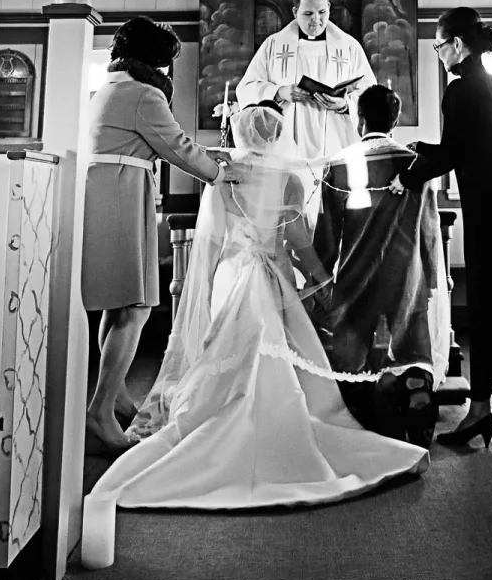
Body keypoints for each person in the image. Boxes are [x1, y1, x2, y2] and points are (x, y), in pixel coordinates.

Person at [85, 105, 426, 518]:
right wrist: (321, 282)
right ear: (278, 136)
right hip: (270, 272)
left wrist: (206, 289)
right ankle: (283, 428)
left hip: (232, 271)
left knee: (231, 345)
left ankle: (218, 415)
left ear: (241, 134)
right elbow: (297, 242)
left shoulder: (222, 175)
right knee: (273, 343)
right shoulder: (286, 177)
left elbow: (210, 243)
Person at [81, 17, 236, 454]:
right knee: (137, 306)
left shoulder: (108, 88)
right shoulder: (144, 94)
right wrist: (222, 172)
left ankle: (118, 398)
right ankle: (100, 409)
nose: (168, 71)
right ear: (154, 60)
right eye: (167, 61)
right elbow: (179, 148)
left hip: (106, 193)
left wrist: (210, 159)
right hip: (120, 197)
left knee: (119, 305)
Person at [395, 7, 492, 447]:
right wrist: (424, 149)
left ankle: (479, 408)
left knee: (486, 296)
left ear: (458, 44)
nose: (439, 53)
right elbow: (467, 145)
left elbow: (453, 155)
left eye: (439, 45)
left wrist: (406, 176)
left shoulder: (459, 90)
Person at [312, 85, 446, 447]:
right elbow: (429, 227)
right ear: (395, 120)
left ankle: (361, 416)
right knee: (412, 340)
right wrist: (433, 275)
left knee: (350, 347)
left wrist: (320, 277)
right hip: (407, 271)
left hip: (358, 270)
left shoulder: (339, 163)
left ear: (359, 119)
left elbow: (328, 229)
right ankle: (415, 382)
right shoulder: (415, 164)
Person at [237, 0, 375, 160]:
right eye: (308, 13)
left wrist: (344, 105)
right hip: (287, 143)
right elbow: (245, 88)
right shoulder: (274, 45)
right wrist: (280, 92)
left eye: (322, 12)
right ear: (295, 12)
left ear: (329, 7)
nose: (316, 20)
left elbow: (370, 94)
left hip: (336, 142)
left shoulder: (349, 47)